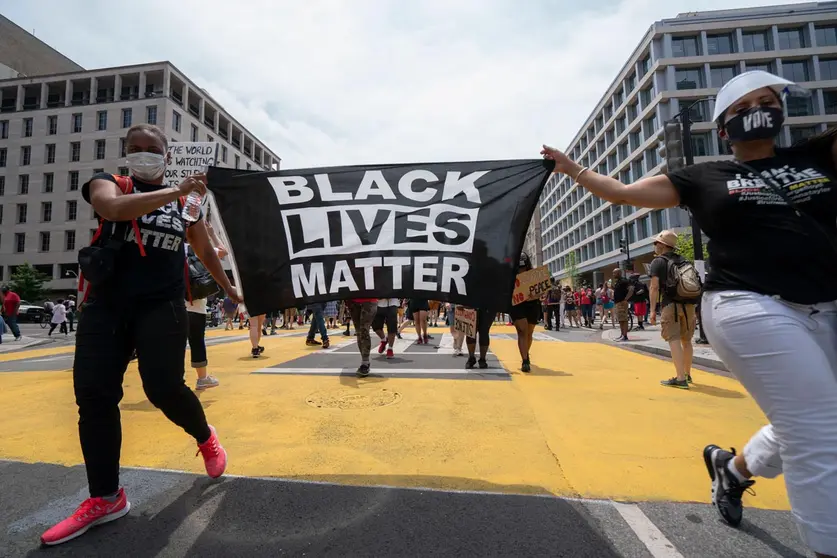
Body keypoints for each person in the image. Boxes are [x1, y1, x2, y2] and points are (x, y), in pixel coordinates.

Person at [541, 69, 837, 558]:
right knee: (819, 430)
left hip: (826, 302)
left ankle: (734, 470)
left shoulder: (815, 157)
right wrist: (572, 168)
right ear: (723, 129)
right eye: (743, 108)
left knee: (813, 419)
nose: (757, 110)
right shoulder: (702, 176)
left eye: (767, 101)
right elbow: (620, 192)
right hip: (749, 303)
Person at [41, 123, 242, 547]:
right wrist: (176, 191)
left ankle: (205, 437)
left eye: (153, 149)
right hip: (106, 305)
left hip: (162, 305)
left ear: (167, 156)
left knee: (164, 387)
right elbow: (112, 210)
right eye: (136, 148)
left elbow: (204, 250)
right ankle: (106, 498)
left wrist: (231, 290)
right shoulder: (108, 184)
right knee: (94, 396)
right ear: (125, 152)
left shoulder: (187, 205)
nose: (144, 154)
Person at [649, 230, 697, 389]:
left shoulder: (658, 262)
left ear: (662, 245)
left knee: (673, 339)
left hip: (670, 305)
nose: (654, 245)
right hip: (689, 304)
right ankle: (688, 374)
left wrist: (652, 310)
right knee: (687, 340)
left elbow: (654, 287)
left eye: (656, 243)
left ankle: (680, 378)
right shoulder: (684, 260)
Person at [185, 242, 226, 390]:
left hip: (173, 303)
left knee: (174, 343)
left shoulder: (170, 245)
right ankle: (202, 378)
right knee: (197, 341)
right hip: (195, 304)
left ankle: (175, 378)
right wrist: (211, 234)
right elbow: (223, 251)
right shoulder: (197, 249)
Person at [508, 253, 540, 372]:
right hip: (517, 305)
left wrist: (536, 295)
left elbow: (541, 291)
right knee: (522, 331)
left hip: (533, 305)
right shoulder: (509, 276)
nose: (521, 270)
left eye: (523, 267)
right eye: (519, 267)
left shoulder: (535, 275)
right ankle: (525, 360)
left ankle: (526, 353)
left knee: (529, 333)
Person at [350, 298, 378, 377]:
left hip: (370, 300)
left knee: (364, 330)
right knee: (359, 332)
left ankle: (365, 362)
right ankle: (364, 361)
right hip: (353, 301)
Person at [611, 269, 634, 341]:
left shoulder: (624, 281)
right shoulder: (618, 282)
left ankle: (625, 336)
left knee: (624, 319)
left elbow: (631, 289)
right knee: (620, 319)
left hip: (622, 302)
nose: (613, 275)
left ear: (619, 273)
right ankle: (622, 335)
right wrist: (611, 287)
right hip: (618, 302)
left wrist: (626, 299)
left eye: (614, 273)